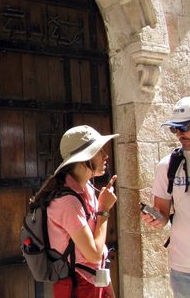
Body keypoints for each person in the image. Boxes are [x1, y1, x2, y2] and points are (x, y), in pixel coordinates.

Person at [33, 125, 118, 298]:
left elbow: (98, 254)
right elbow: (93, 255)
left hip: (93, 283)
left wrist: (108, 290)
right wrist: (104, 210)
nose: (105, 155)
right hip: (77, 287)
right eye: (99, 150)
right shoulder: (68, 202)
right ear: (83, 158)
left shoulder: (86, 188)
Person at [141, 96, 190, 298]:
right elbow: (162, 214)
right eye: (175, 129)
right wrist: (156, 218)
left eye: (185, 127)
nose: (179, 134)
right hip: (186, 271)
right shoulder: (168, 166)